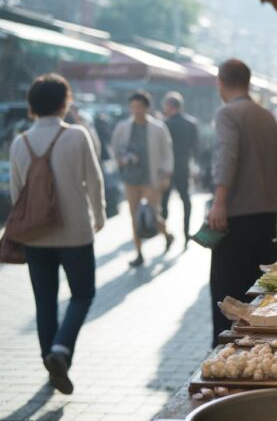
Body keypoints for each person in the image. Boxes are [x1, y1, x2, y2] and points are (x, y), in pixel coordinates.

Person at [9, 73, 105, 394]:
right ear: (65, 102)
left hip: (35, 236)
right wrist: (100, 215)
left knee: (44, 301)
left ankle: (50, 361)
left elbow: (16, 193)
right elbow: (94, 180)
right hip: (75, 233)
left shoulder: (19, 142)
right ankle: (60, 352)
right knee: (82, 294)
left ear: (32, 105)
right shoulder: (77, 136)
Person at [207, 59, 277, 346]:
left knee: (229, 294)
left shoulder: (228, 114)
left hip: (236, 217)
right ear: (248, 82)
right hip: (266, 217)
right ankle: (259, 348)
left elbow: (228, 156)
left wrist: (219, 202)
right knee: (259, 292)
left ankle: (225, 355)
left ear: (220, 82)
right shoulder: (267, 116)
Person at [112, 91, 174, 267]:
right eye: (133, 107)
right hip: (131, 178)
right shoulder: (123, 127)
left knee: (153, 214)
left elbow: (167, 152)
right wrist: (120, 160)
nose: (136, 110)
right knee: (135, 216)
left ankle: (167, 234)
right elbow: (115, 147)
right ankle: (139, 252)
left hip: (151, 178)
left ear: (147, 107)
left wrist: (166, 174)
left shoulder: (158, 128)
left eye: (139, 106)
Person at [161, 91, 198, 248]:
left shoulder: (165, 124)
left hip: (168, 168)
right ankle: (186, 233)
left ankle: (166, 235)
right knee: (186, 200)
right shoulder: (191, 123)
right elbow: (196, 148)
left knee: (164, 202)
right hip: (184, 166)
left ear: (170, 106)